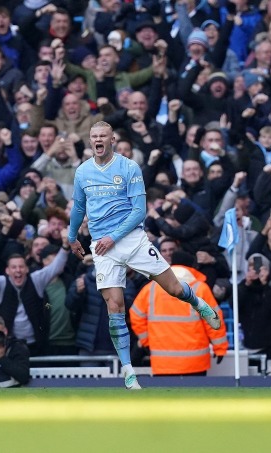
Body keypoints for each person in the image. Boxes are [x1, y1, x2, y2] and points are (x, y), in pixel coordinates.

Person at [67, 121, 222, 390]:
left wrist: (112, 237)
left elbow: (139, 211)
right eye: (94, 137)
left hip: (131, 240)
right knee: (114, 306)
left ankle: (197, 303)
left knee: (173, 288)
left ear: (112, 139)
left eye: (103, 135)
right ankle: (128, 371)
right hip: (103, 248)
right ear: (90, 141)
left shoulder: (128, 167)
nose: (98, 140)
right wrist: (71, 238)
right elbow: (79, 207)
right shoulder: (83, 172)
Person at [130, 255, 228, 376]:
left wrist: (147, 341)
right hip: (195, 363)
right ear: (193, 267)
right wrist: (220, 348)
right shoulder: (200, 289)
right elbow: (214, 320)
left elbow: (135, 315)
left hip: (162, 363)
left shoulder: (151, 289)